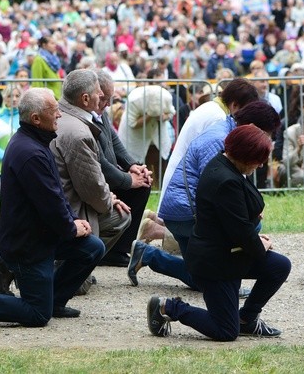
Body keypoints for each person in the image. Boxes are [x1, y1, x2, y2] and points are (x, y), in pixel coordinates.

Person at [0, 88, 105, 328]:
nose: (60, 115)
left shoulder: (36, 142)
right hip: (28, 246)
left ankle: (54, 300)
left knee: (92, 248)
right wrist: (71, 228)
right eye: (55, 111)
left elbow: (56, 193)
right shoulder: (30, 152)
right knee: (37, 314)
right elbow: (50, 205)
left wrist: (73, 220)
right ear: (36, 119)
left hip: (40, 237)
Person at [146, 125, 291, 341]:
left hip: (230, 254)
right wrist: (259, 244)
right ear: (243, 154)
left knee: (279, 266)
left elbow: (235, 222)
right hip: (215, 264)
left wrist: (253, 233)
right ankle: (169, 307)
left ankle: (247, 319)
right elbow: (240, 230)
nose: (261, 165)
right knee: (225, 331)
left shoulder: (225, 164)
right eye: (257, 159)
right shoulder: (226, 181)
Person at [131, 101, 280, 290]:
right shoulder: (220, 139)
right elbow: (216, 190)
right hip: (185, 213)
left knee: (200, 277)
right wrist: (249, 235)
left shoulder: (228, 133)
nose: (265, 141)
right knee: (214, 269)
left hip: (183, 209)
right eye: (266, 135)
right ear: (252, 127)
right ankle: (229, 276)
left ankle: (148, 255)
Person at [50, 70, 132, 257]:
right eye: (99, 92)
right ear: (85, 99)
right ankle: (69, 263)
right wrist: (109, 199)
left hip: (58, 205)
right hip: (69, 212)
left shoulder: (64, 116)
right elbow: (92, 188)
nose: (102, 96)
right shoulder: (79, 133)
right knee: (120, 216)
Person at [160, 78, 259, 196]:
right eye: (245, 110)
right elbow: (213, 169)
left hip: (183, 181)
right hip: (184, 188)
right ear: (235, 105)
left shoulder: (213, 108)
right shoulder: (218, 118)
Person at [93, 71, 153, 266]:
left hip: (109, 176)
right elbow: (100, 162)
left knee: (143, 184)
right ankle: (109, 248)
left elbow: (115, 142)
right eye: (105, 99)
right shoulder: (86, 117)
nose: (109, 103)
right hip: (98, 180)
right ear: (93, 94)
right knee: (137, 185)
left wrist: (133, 165)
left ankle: (120, 248)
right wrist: (128, 179)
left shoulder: (101, 112)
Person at [30, 35, 63, 100]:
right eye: (52, 43)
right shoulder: (39, 59)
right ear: (44, 45)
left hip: (56, 97)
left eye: (55, 43)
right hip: (47, 99)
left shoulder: (54, 59)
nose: (54, 45)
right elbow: (37, 82)